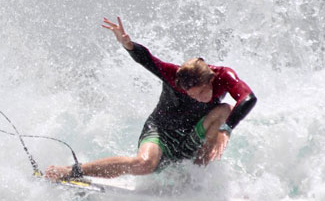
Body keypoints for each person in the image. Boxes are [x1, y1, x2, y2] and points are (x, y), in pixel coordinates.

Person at [45, 17, 257, 181]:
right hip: (161, 132)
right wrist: (128, 45)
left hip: (192, 138)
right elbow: (147, 59)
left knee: (225, 110)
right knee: (144, 164)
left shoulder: (223, 76)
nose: (200, 100)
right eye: (192, 95)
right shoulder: (174, 75)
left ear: (210, 80)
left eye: (202, 93)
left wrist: (226, 129)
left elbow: (248, 98)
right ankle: (73, 170)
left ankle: (195, 177)